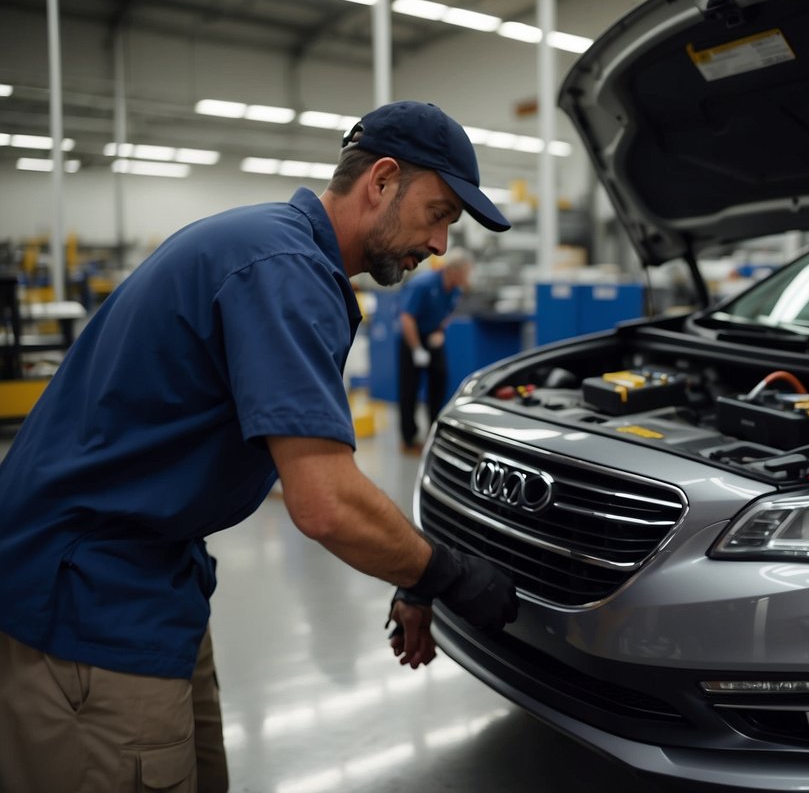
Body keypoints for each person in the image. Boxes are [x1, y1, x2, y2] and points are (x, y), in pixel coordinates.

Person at [0, 100, 519, 793]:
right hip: (87, 602)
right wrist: (450, 577)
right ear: (383, 180)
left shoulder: (273, 249)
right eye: (440, 213)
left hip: (155, 581)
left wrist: (412, 570)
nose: (439, 246)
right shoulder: (282, 269)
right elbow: (325, 503)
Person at [397, 246, 472, 452]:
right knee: (409, 389)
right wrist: (416, 349)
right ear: (455, 270)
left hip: (432, 337)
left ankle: (434, 432)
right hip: (411, 337)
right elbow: (407, 318)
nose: (468, 277)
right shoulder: (423, 284)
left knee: (439, 379)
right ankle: (408, 439)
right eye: (467, 272)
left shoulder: (455, 289)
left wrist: (440, 330)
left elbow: (446, 312)